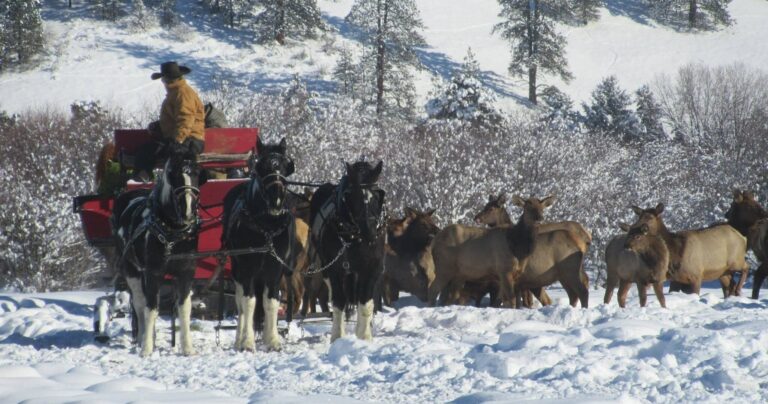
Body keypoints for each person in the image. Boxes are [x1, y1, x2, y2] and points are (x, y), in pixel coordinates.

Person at [133, 61, 206, 182]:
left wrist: (178, 141)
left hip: (189, 141)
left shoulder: (182, 93)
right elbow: (176, 118)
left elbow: (185, 119)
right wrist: (158, 125)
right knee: (147, 151)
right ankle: (145, 179)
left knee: (146, 153)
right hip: (186, 139)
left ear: (167, 80)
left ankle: (143, 182)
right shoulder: (177, 92)